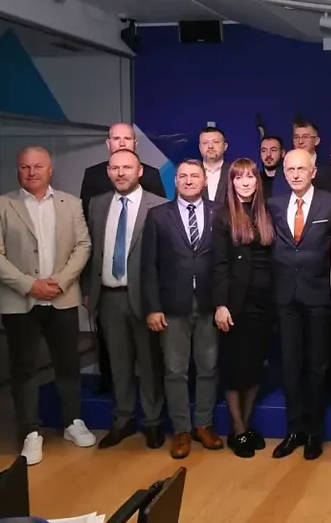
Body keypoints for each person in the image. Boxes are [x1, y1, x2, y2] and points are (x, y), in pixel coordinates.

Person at [0, 146, 95, 465]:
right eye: (25, 167)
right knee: (25, 368)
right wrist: (30, 285)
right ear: (18, 170)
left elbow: (83, 245)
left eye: (38, 166)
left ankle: (72, 422)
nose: (31, 172)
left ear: (50, 169)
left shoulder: (71, 204)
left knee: (68, 363)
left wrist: (59, 281)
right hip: (20, 300)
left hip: (62, 297)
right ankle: (30, 432)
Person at [83, 148, 167, 450]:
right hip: (108, 297)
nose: (120, 173)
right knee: (118, 364)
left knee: (150, 363)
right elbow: (89, 249)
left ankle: (153, 421)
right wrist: (87, 289)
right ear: (108, 171)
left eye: (127, 167)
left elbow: (165, 259)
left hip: (145, 298)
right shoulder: (96, 204)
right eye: (115, 168)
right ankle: (123, 418)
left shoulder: (159, 206)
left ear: (140, 171)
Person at [142, 159, 223, 459]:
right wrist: (153, 308)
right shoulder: (157, 215)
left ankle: (203, 424)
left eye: (195, 176)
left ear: (205, 181)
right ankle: (181, 430)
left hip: (209, 304)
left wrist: (223, 302)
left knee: (208, 368)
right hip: (171, 306)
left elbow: (224, 262)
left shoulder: (220, 212)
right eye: (183, 176)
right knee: (175, 370)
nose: (189, 181)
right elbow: (149, 266)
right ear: (175, 181)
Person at [270, 150, 331, 460]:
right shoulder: (274, 205)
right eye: (290, 169)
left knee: (317, 366)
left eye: (302, 169)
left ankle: (315, 432)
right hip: (285, 297)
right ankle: (294, 430)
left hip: (319, 297)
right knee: (290, 366)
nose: (296, 174)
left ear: (313, 171)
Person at [212, 158, 276, 458]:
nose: (246, 182)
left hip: (265, 304)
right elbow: (218, 264)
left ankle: (247, 425)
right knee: (235, 370)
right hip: (236, 305)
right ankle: (237, 430)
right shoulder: (223, 216)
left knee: (254, 369)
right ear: (232, 182)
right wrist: (220, 304)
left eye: (250, 176)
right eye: (239, 177)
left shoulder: (267, 213)